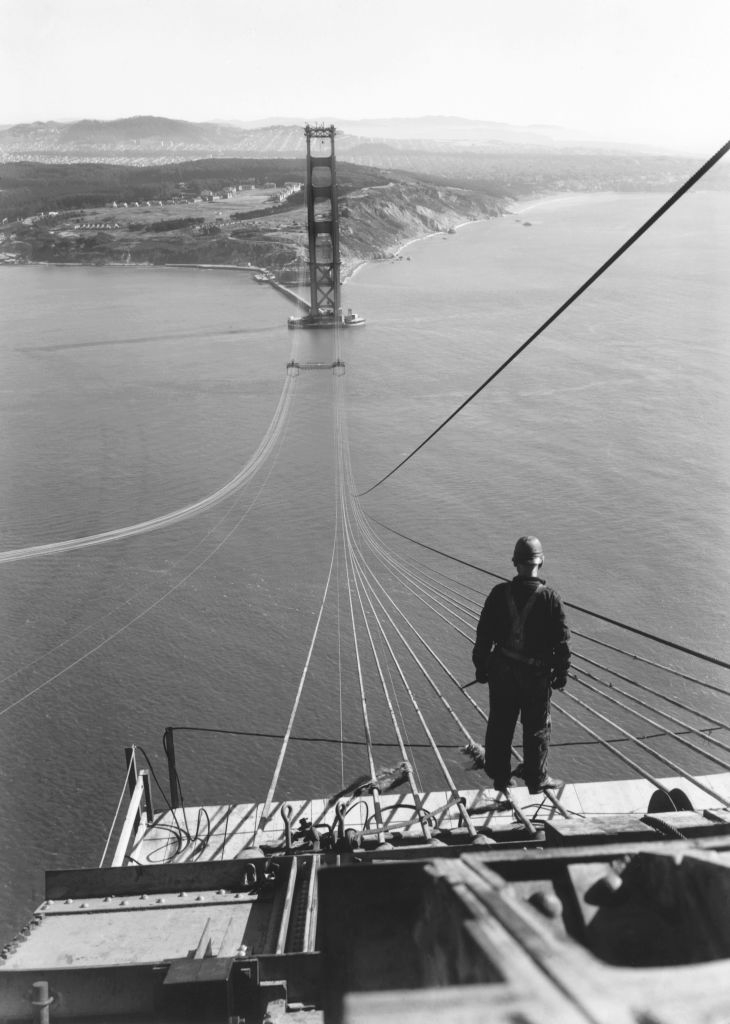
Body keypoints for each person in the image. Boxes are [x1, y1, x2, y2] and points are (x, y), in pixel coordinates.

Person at [472, 536, 570, 794]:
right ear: (542, 562)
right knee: (537, 727)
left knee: (500, 724)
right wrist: (561, 673)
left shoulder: (498, 594)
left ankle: (500, 778)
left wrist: (481, 666)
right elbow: (561, 644)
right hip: (535, 677)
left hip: (502, 672)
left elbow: (483, 635)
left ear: (515, 563)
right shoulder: (551, 599)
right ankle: (536, 779)